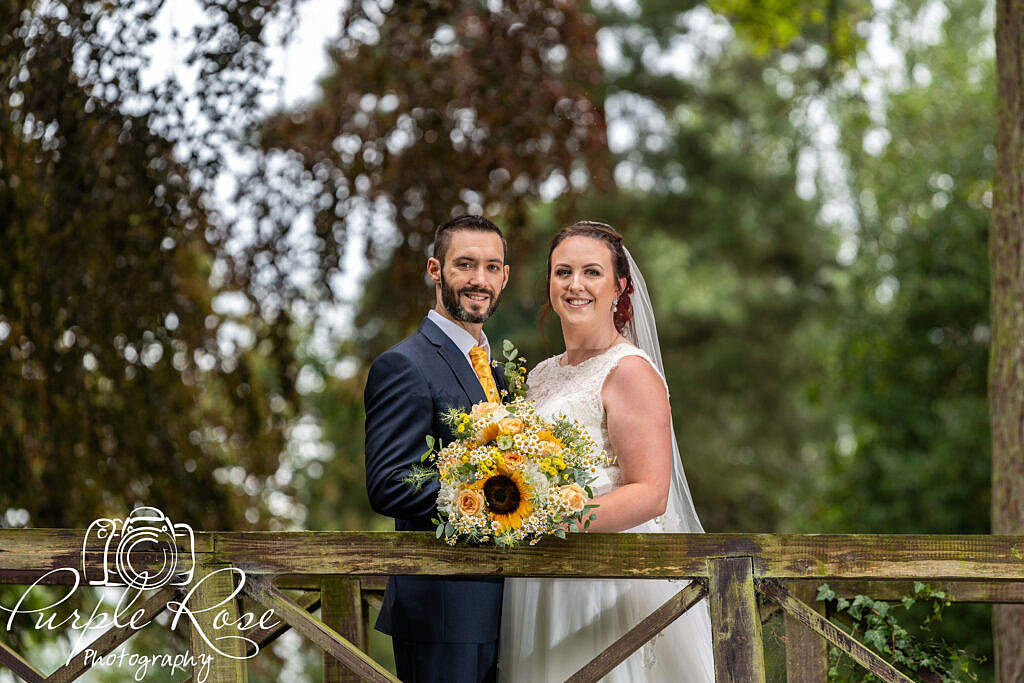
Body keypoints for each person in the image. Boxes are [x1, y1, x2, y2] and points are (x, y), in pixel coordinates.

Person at [498, 221, 715, 681]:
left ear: (619, 286)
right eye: (563, 272)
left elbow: (650, 494)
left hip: (606, 577)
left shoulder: (630, 371)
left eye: (591, 272)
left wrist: (551, 520)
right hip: (540, 579)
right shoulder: (538, 376)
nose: (575, 285)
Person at [364, 215, 510, 683]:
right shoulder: (404, 364)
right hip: (444, 607)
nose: (478, 280)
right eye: (464, 265)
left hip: (513, 603)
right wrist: (497, 497)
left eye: (491, 267)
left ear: (504, 276)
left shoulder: (502, 374)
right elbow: (389, 485)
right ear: (435, 270)